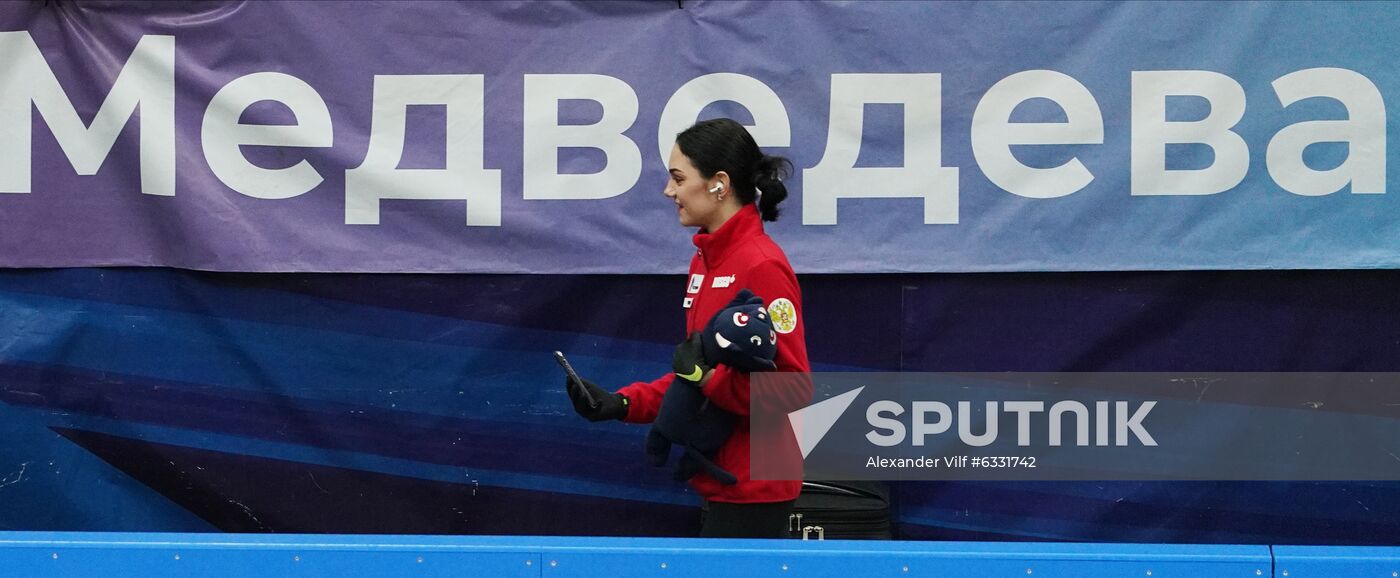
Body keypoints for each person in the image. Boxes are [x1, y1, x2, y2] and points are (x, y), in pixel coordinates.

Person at [565, 118, 812, 538]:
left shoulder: (762, 264)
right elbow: (692, 372)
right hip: (720, 481)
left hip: (757, 490)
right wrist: (622, 404)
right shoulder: (704, 260)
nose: (668, 190)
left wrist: (709, 379)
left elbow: (793, 391)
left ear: (719, 183)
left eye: (678, 178)